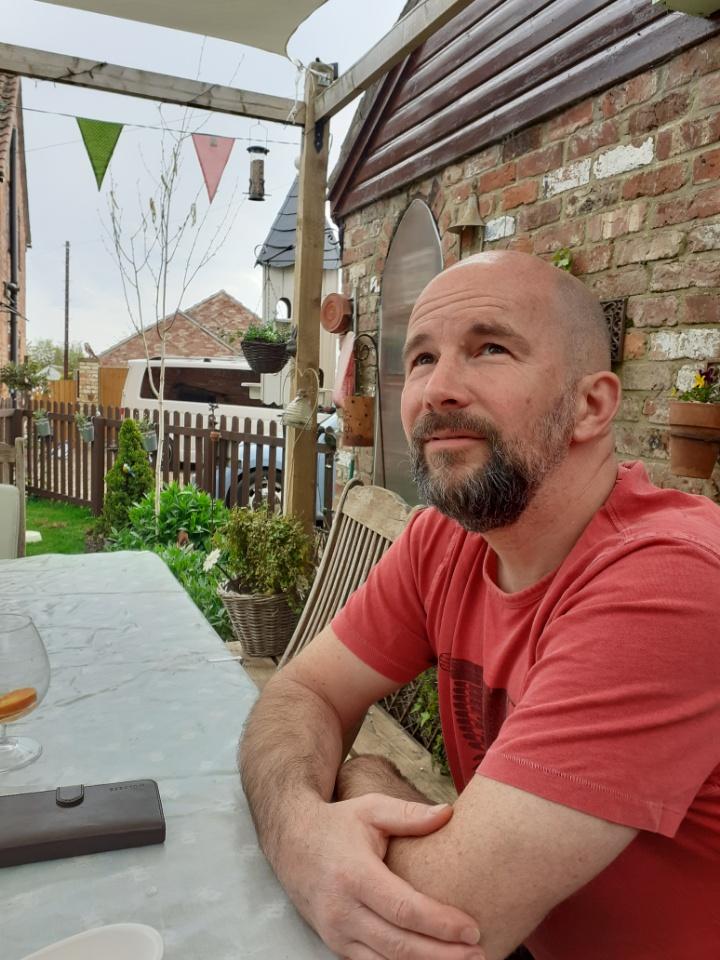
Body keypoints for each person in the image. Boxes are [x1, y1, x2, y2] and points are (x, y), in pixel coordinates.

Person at [239, 251, 720, 960]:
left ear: (591, 406)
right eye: (422, 358)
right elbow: (302, 691)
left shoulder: (671, 581)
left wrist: (363, 776)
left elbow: (444, 918)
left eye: (490, 348)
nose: (437, 389)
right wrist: (299, 827)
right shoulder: (444, 541)